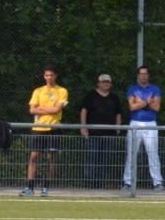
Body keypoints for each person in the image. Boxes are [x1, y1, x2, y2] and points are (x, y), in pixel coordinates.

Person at [21, 66, 68, 197]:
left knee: (50, 158)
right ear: (44, 76)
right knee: (34, 157)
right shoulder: (38, 91)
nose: (49, 78)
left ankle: (45, 187)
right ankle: (30, 187)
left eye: (51, 75)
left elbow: (56, 110)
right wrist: (48, 109)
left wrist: (41, 108)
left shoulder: (62, 91)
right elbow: (32, 110)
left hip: (53, 128)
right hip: (38, 129)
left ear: (55, 76)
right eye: (47, 75)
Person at [78, 73, 126, 188]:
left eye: (107, 82)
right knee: (92, 156)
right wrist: (83, 127)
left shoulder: (114, 97)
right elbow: (84, 111)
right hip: (93, 133)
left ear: (111, 84)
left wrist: (118, 127)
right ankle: (89, 182)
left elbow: (118, 113)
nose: (105, 84)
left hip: (109, 133)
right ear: (98, 83)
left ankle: (100, 182)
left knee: (105, 159)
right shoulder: (91, 95)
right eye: (103, 82)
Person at [123, 65, 164, 193]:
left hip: (151, 124)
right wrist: (148, 102)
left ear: (148, 75)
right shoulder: (132, 89)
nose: (144, 76)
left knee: (153, 153)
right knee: (132, 153)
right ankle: (127, 182)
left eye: (146, 73)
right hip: (135, 123)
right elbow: (132, 107)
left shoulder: (155, 89)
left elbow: (156, 108)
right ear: (138, 75)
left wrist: (140, 102)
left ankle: (157, 182)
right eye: (141, 74)